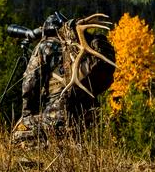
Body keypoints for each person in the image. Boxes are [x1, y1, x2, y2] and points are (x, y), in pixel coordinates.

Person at [11, 12, 115, 146]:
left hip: (59, 115)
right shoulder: (77, 46)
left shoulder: (46, 45)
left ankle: (45, 146)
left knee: (18, 133)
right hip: (89, 118)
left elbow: (29, 85)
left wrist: (27, 114)